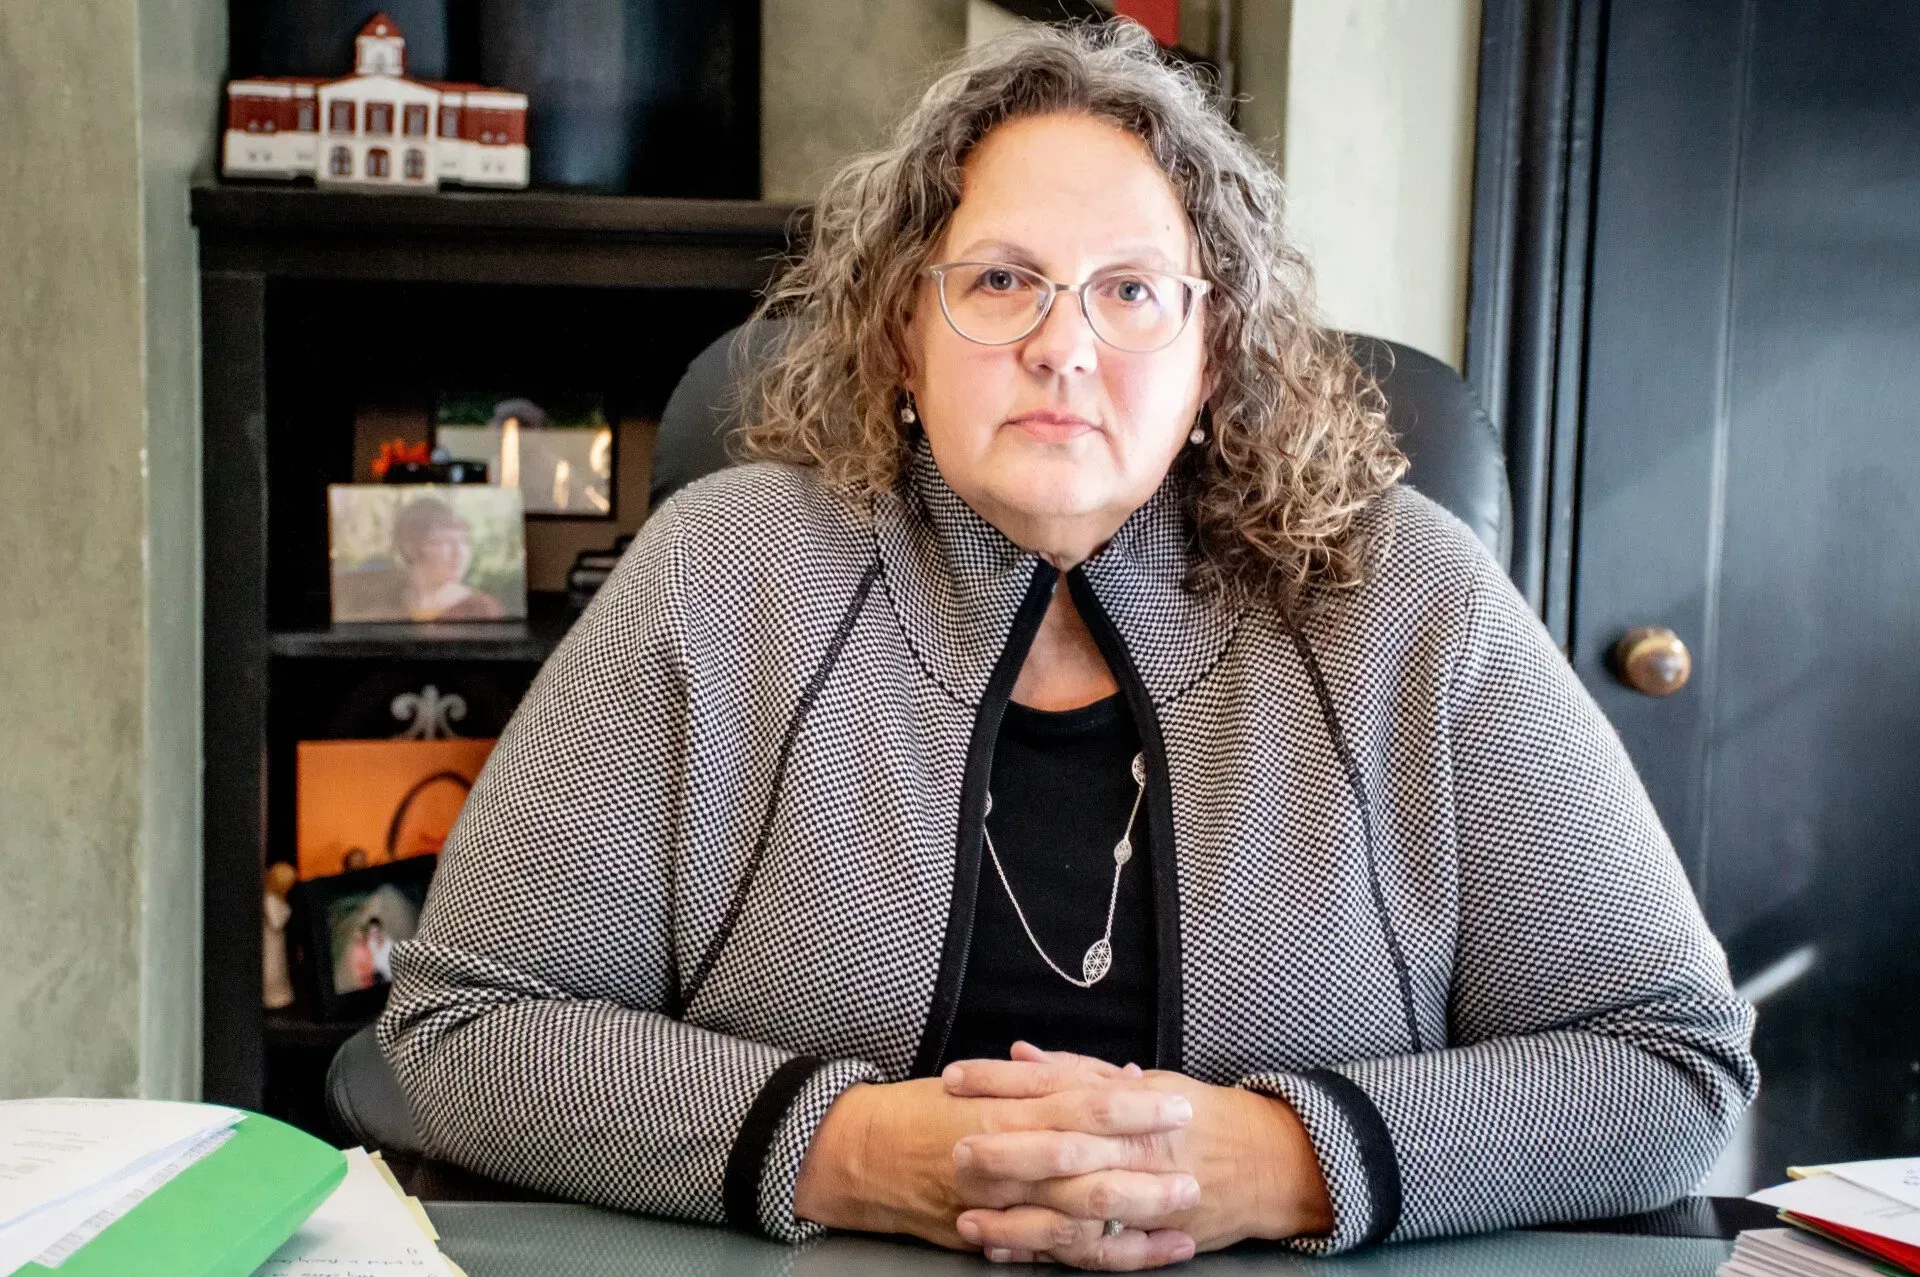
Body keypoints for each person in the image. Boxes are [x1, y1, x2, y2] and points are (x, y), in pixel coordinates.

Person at [379, 22, 1755, 1272]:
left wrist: (1277, 1162)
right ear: (903, 335)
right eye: (1001, 280)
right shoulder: (719, 570)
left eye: (1132, 291)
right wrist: (849, 1151)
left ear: (1212, 354)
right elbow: (466, 1025)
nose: (1063, 346)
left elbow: (1670, 1060)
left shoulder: (1410, 594)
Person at [390, 497, 505, 621]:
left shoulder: (482, 610)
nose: (459, 552)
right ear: (412, 547)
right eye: (447, 541)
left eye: (464, 542)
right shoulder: (387, 604)